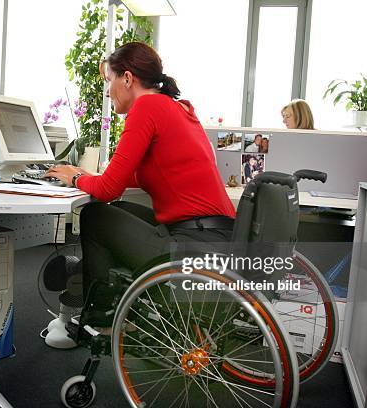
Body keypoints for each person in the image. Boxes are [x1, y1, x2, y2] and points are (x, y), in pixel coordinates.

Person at [46, 42, 236, 326]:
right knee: (120, 208)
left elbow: (108, 190)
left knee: (95, 215)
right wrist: (91, 177)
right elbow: (135, 178)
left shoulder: (147, 106)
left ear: (127, 78)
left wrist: (76, 178)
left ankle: (100, 317)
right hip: (218, 239)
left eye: (109, 81)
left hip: (196, 247)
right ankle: (110, 295)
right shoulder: (177, 107)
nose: (108, 92)